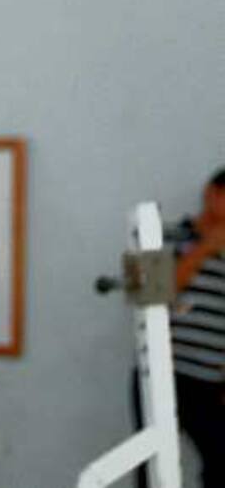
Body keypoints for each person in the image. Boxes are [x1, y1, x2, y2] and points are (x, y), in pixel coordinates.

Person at [132, 167, 225, 488]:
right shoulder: (165, 235)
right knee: (151, 464)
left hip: (212, 381)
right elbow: (148, 295)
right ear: (212, 195)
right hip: (165, 373)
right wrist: (204, 250)